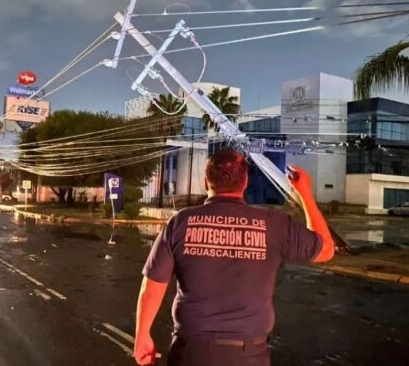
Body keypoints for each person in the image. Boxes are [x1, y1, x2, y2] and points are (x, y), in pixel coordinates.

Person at [134, 149, 335, 366]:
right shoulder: (274, 224)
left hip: (191, 352)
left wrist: (142, 334)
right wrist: (304, 193)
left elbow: (153, 285)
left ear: (205, 182)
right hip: (249, 356)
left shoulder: (181, 222)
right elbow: (326, 250)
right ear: (245, 182)